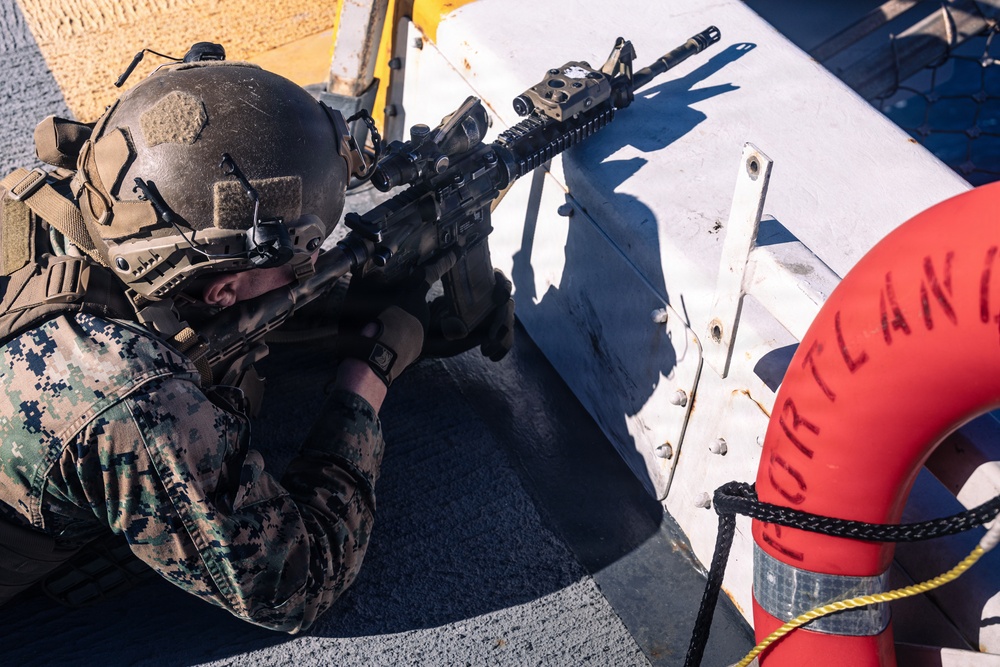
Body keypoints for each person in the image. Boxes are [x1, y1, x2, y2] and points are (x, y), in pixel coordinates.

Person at [0, 44, 450, 632]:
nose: (309, 268)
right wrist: (366, 382)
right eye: (303, 257)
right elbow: (295, 583)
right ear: (222, 292)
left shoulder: (49, 205)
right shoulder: (133, 399)